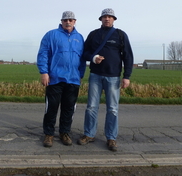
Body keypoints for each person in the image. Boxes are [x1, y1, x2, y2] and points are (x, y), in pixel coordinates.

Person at [77, 8, 133, 151]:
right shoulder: (94, 34)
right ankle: (89, 134)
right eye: (104, 17)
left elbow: (128, 56)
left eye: (110, 17)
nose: (107, 19)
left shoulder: (120, 35)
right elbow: (84, 53)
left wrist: (126, 76)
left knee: (113, 109)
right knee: (91, 107)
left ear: (114, 19)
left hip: (113, 77)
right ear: (100, 19)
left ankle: (111, 138)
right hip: (95, 75)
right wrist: (93, 58)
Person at [37, 11, 86, 147]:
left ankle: (64, 133)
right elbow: (43, 54)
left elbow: (82, 59)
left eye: (70, 20)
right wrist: (44, 72)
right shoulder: (51, 35)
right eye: (65, 20)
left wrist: (80, 74)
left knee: (69, 108)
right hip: (55, 78)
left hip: (73, 79)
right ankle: (49, 134)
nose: (68, 22)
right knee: (51, 108)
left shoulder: (79, 37)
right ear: (61, 21)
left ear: (75, 21)